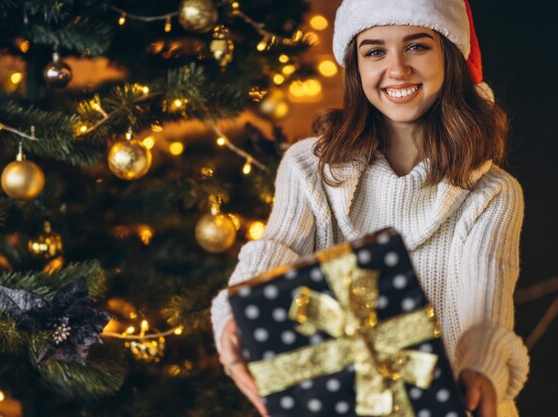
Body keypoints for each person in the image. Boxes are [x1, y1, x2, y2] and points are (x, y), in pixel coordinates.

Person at [211, 0, 530, 416]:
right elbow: (279, 250)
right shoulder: (309, 166)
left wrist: (482, 371)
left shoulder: (493, 192)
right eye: (375, 51)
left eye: (417, 46)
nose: (396, 69)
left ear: (449, 56)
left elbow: (483, 315)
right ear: (355, 66)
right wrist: (236, 313)